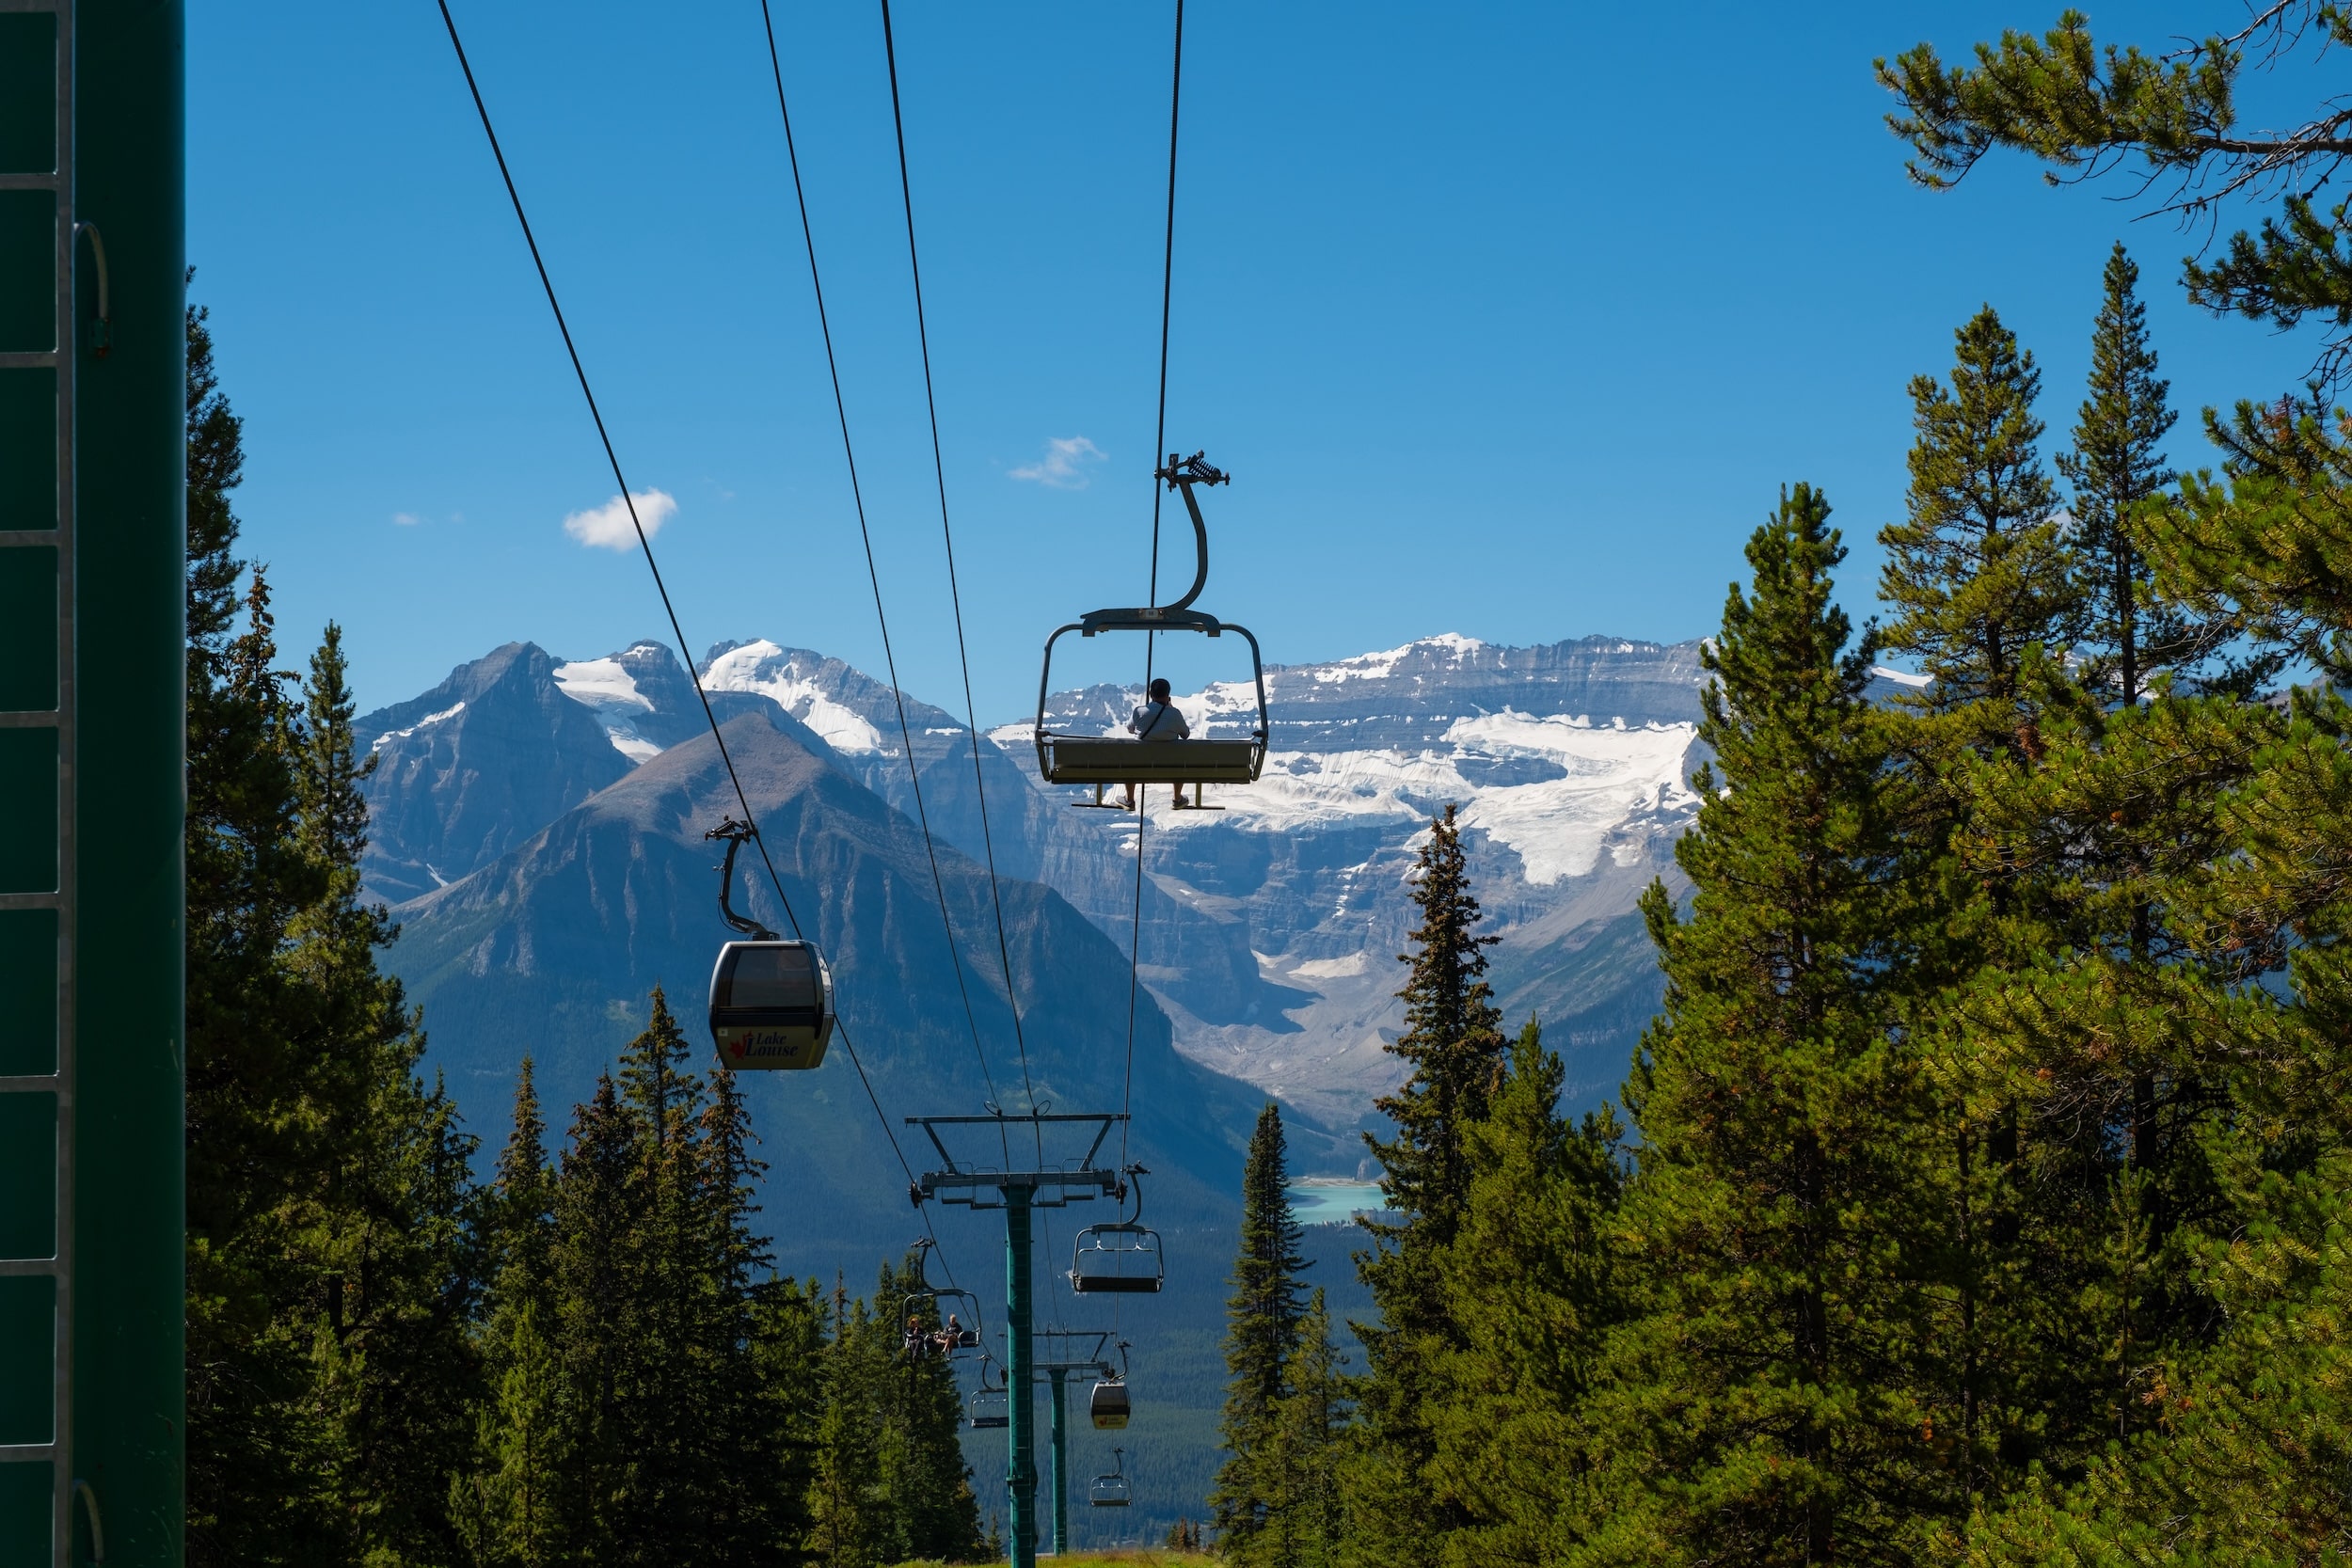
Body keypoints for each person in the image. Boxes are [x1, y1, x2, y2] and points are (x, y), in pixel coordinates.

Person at [1120, 677, 1192, 811]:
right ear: (1168, 695)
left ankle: (1129, 799)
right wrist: (1170, 709)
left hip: (1139, 766)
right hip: (1170, 767)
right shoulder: (1175, 714)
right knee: (1181, 758)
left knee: (1129, 760)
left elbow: (1130, 729)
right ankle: (1177, 798)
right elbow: (1185, 735)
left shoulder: (1139, 711)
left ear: (1150, 694)